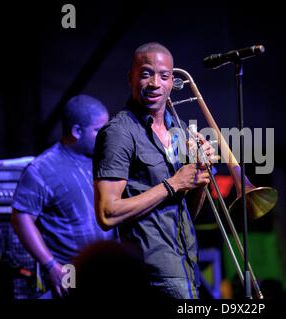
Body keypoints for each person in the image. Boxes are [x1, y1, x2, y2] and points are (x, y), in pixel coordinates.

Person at [92, 42, 215, 299]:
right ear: (131, 78)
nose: (155, 83)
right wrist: (173, 183)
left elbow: (185, 212)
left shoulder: (178, 133)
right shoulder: (119, 132)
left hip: (186, 265)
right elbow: (106, 214)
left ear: (173, 82)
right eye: (146, 73)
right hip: (152, 272)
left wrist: (200, 177)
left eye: (164, 76)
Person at [11, 94, 117, 298]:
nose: (105, 135)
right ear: (77, 131)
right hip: (70, 273)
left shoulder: (102, 159)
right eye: (98, 130)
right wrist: (51, 265)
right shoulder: (42, 169)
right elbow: (20, 218)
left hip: (104, 269)